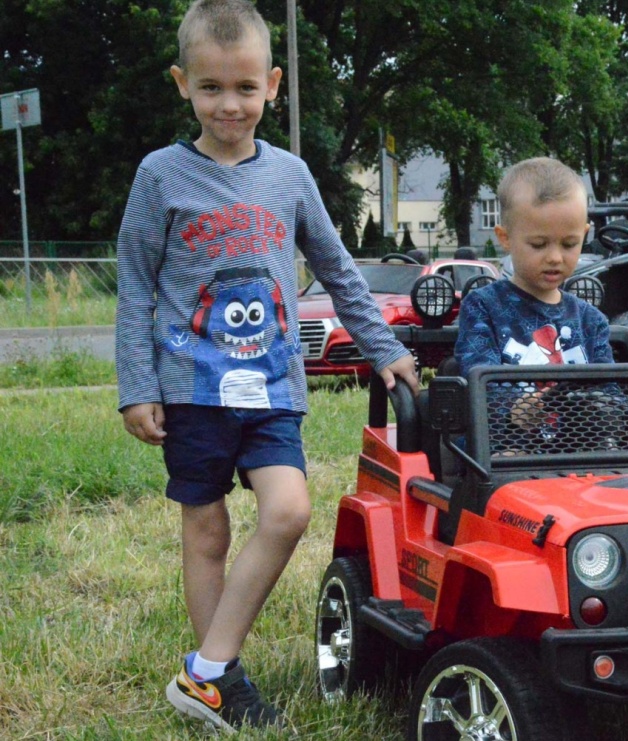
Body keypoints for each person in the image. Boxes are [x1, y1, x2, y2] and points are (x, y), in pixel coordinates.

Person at [114, 0, 419, 731]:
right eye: (212, 87)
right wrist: (137, 387)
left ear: (273, 85)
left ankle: (204, 671)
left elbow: (339, 269)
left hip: (274, 385)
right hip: (192, 388)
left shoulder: (290, 176)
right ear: (182, 83)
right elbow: (134, 285)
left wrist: (384, 347)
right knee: (208, 531)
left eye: (245, 88)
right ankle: (223, 673)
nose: (230, 104)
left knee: (287, 511)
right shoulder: (160, 176)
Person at [455, 157, 628, 449]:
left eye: (569, 244)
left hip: (579, 451)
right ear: (506, 237)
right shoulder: (484, 306)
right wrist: (514, 408)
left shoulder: (591, 320)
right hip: (505, 447)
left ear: (585, 235)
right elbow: (477, 381)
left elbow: (608, 393)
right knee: (513, 464)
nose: (555, 257)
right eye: (539, 244)